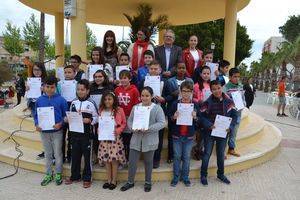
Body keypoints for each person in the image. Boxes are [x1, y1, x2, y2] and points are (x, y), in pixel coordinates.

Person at [120, 87, 165, 192]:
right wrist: (132, 128)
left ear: (152, 96)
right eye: (143, 96)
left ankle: (148, 182)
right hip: (136, 138)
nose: (144, 98)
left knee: (149, 162)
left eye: (147, 96)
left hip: (150, 139)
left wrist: (149, 129)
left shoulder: (157, 108)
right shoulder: (136, 107)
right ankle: (130, 182)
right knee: (132, 162)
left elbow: (162, 123)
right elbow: (130, 121)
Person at [199, 80, 237, 186]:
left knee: (220, 154)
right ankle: (203, 175)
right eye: (214, 89)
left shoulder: (229, 102)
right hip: (210, 132)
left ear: (222, 88)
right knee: (207, 154)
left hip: (223, 132)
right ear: (211, 90)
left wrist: (231, 126)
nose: (217, 91)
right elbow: (201, 117)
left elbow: (235, 116)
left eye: (219, 88)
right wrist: (209, 125)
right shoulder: (207, 102)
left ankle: (221, 174)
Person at [33, 75, 68, 186]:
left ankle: (58, 173)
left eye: (52, 87)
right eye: (47, 87)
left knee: (58, 153)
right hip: (44, 132)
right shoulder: (39, 100)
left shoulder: (61, 100)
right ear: (43, 87)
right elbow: (35, 115)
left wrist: (60, 124)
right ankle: (48, 174)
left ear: (55, 87)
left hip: (57, 131)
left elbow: (66, 116)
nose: (49, 89)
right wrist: (36, 124)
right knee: (48, 154)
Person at [64, 79, 98, 188]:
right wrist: (67, 119)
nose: (80, 91)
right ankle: (75, 176)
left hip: (86, 135)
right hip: (74, 134)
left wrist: (90, 121)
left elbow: (97, 117)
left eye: (82, 89)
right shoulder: (73, 102)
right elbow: (70, 115)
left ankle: (87, 177)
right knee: (75, 155)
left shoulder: (91, 103)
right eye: (78, 89)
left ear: (87, 91)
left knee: (87, 157)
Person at [169, 81, 199, 187]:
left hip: (189, 136)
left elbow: (198, 121)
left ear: (191, 92)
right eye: (184, 91)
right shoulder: (175, 104)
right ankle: (176, 177)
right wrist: (174, 117)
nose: (186, 93)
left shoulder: (195, 104)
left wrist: (195, 117)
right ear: (180, 92)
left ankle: (185, 177)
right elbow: (170, 118)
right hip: (177, 135)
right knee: (177, 156)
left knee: (186, 157)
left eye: (188, 91)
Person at [162, 62, 193, 163]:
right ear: (175, 69)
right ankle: (171, 155)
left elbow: (192, 96)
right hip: (174, 111)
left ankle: (184, 156)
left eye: (183, 68)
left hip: (187, 112)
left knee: (185, 135)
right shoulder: (169, 81)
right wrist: (173, 94)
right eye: (179, 68)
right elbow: (165, 98)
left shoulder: (190, 81)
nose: (181, 70)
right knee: (172, 134)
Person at [140, 60, 166, 168]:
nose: (154, 71)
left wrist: (163, 99)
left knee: (158, 135)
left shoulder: (164, 81)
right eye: (152, 69)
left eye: (156, 69)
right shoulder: (143, 81)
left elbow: (169, 95)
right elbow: (139, 93)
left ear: (160, 70)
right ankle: (147, 158)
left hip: (158, 109)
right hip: (145, 110)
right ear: (148, 69)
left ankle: (156, 159)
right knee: (146, 134)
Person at [98, 92, 127, 190]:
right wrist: (99, 129)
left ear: (114, 100)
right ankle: (108, 180)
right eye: (105, 99)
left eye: (109, 99)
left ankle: (114, 180)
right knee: (106, 160)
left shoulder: (119, 110)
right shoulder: (101, 110)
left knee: (114, 160)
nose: (107, 101)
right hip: (104, 139)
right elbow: (100, 122)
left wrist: (119, 130)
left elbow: (124, 123)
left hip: (115, 139)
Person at [114, 70, 140, 161]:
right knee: (121, 139)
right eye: (121, 78)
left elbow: (137, 105)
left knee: (128, 139)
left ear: (130, 78)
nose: (123, 80)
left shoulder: (134, 90)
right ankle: (122, 158)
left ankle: (129, 159)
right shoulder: (117, 89)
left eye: (125, 78)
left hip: (130, 117)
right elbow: (115, 104)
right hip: (120, 118)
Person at [90, 69, 114, 165]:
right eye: (96, 77)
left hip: (106, 116)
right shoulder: (91, 88)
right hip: (95, 116)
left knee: (105, 137)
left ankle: (106, 157)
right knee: (96, 138)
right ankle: (97, 156)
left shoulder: (110, 88)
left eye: (100, 76)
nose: (98, 78)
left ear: (104, 77)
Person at [26, 62, 47, 160]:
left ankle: (48, 151)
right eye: (35, 69)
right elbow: (27, 97)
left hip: (44, 107)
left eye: (39, 69)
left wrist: (44, 90)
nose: (36, 72)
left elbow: (53, 94)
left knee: (46, 129)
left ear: (42, 70)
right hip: (34, 107)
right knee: (40, 129)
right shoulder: (30, 81)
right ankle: (45, 150)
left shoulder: (46, 81)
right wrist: (27, 90)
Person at [57, 65, 77, 163]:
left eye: (70, 72)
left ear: (75, 73)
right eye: (65, 72)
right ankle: (61, 156)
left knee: (72, 135)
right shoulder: (59, 84)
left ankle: (70, 155)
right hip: (62, 111)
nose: (67, 74)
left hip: (73, 111)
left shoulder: (77, 84)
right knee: (61, 135)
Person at [224, 68, 244, 157]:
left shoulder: (240, 86)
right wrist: (231, 103)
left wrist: (243, 104)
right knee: (226, 132)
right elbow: (223, 101)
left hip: (238, 113)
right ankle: (222, 151)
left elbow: (243, 98)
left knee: (234, 132)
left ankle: (231, 149)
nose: (237, 78)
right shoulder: (225, 88)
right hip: (229, 114)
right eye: (235, 76)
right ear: (230, 77)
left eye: (238, 77)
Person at [192, 66, 211, 160]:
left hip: (210, 112)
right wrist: (198, 100)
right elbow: (192, 97)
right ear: (200, 74)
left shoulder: (212, 85)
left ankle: (201, 149)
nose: (206, 75)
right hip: (200, 111)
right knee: (199, 132)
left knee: (206, 131)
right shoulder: (196, 85)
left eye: (208, 73)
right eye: (204, 73)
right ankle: (197, 149)